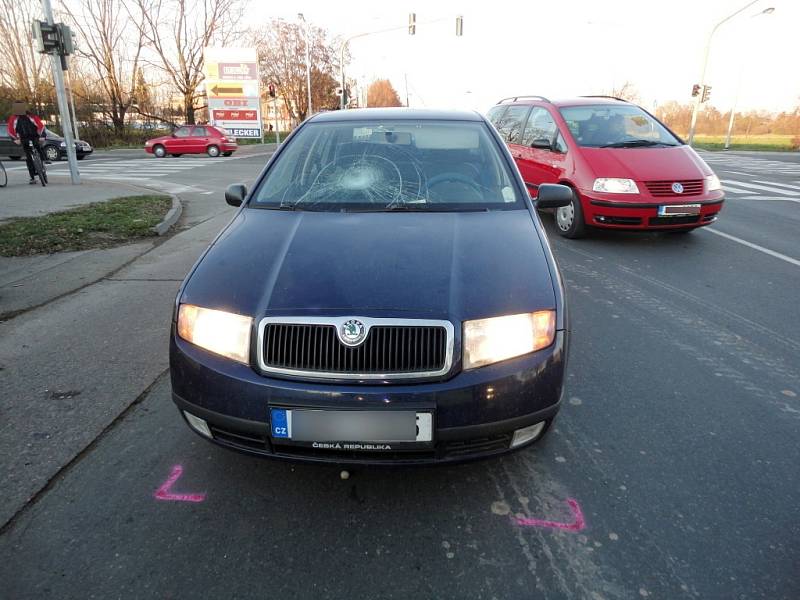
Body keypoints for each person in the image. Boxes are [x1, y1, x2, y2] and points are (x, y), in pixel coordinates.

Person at [7, 102, 47, 184]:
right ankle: (32, 177)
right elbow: (10, 130)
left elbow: (40, 126)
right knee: (28, 158)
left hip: (34, 136)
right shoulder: (14, 118)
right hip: (24, 138)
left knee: (38, 147)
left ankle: (44, 160)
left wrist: (42, 136)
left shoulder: (31, 116)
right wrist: (15, 139)